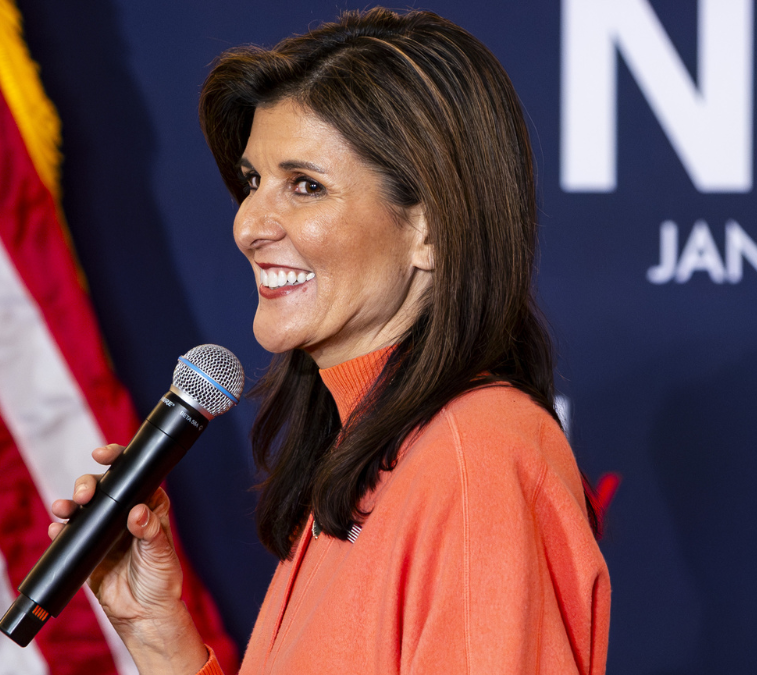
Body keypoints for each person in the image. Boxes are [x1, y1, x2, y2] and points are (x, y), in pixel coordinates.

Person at [49, 8, 610, 674]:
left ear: (430, 230)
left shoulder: (474, 461)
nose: (248, 225)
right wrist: (157, 635)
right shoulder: (370, 453)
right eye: (254, 182)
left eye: (305, 186)